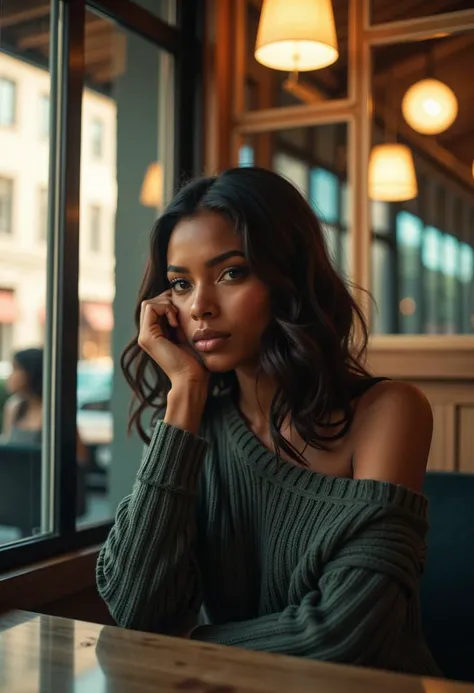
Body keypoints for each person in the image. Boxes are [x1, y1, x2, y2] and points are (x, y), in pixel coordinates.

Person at [96, 167, 440, 675]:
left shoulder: (390, 411)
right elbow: (134, 606)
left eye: (231, 272)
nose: (200, 307)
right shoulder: (197, 423)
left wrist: (191, 642)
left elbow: (348, 633)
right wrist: (185, 394)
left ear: (289, 276)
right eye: (181, 284)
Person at [1, 347, 89, 463]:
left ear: (31, 373)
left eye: (16, 369)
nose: (11, 376)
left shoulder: (54, 413)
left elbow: (80, 458)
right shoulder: (13, 408)